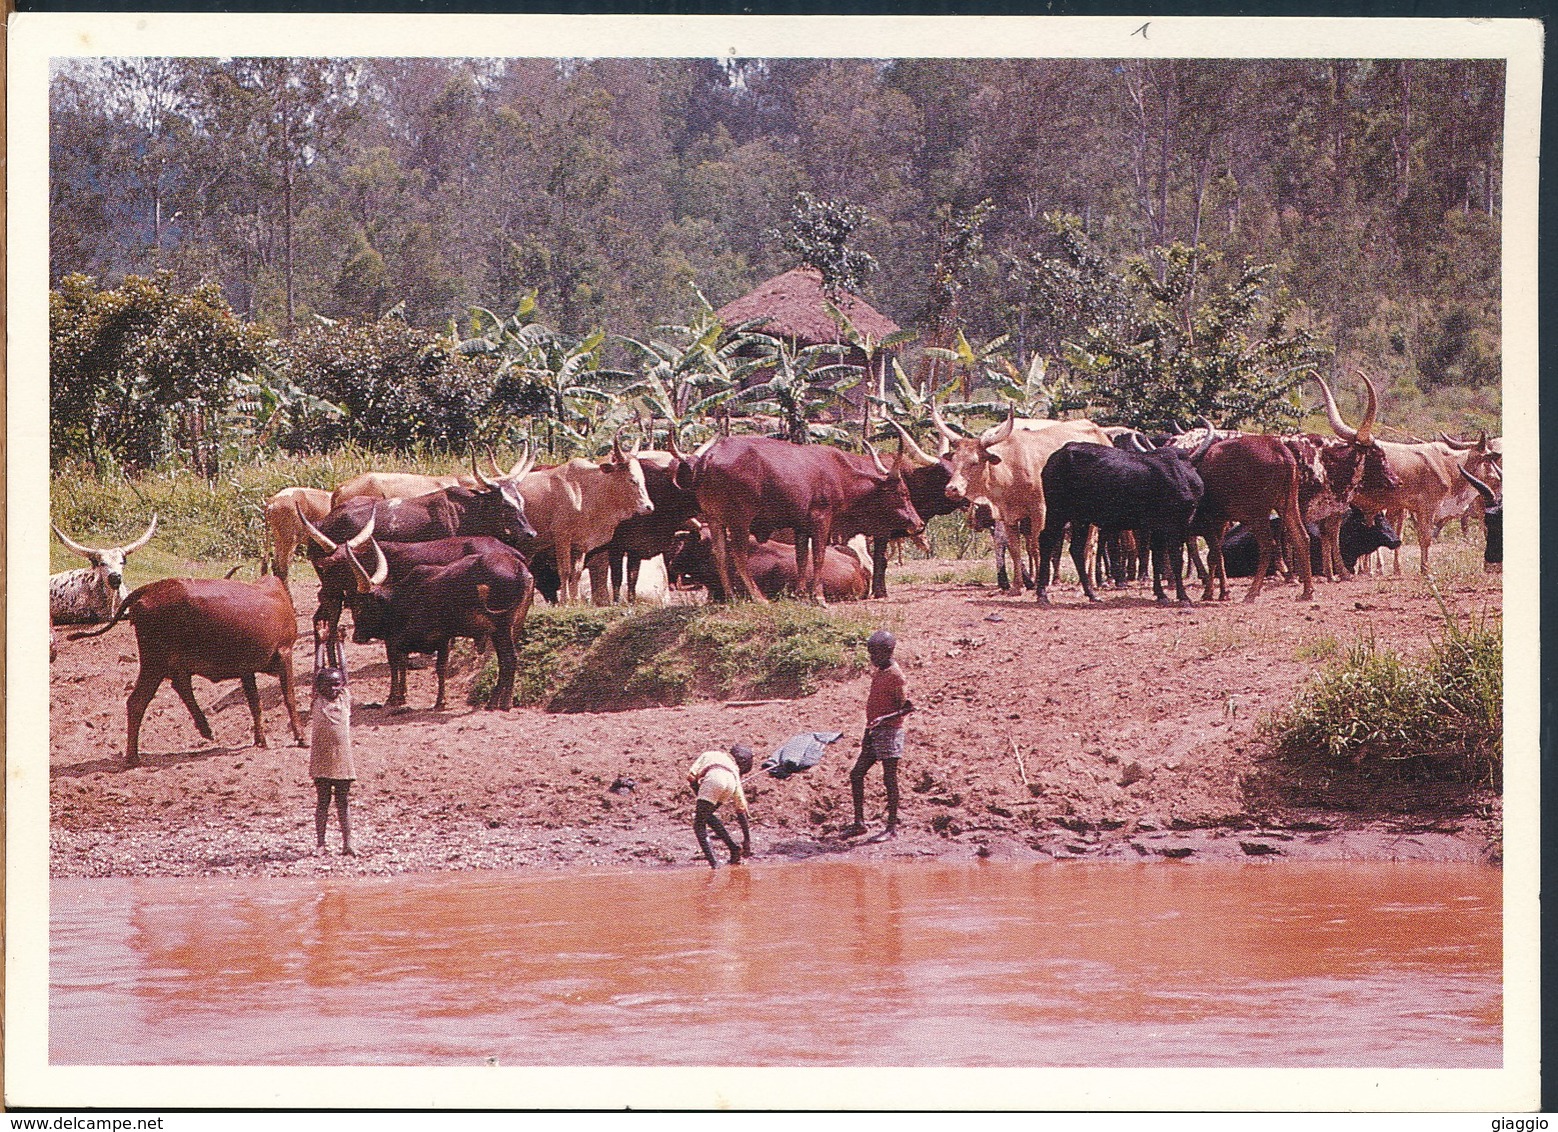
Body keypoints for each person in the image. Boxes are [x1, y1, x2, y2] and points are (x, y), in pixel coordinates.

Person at [842, 629, 914, 838]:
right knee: (856, 774)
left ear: (889, 651)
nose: (872, 658)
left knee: (889, 779)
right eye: (870, 653)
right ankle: (859, 823)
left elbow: (907, 708)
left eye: (876, 654)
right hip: (874, 731)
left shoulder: (896, 676)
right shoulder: (881, 671)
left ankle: (891, 828)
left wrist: (883, 719)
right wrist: (870, 729)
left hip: (890, 732)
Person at [310, 642, 355, 856]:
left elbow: (344, 672)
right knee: (323, 802)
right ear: (319, 688)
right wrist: (320, 644)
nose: (334, 688)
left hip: (343, 760)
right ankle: (321, 844)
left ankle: (348, 844)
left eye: (337, 685)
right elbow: (316, 671)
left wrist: (339, 645)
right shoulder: (317, 701)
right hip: (321, 759)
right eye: (329, 685)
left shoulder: (345, 699)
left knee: (343, 801)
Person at [687, 743, 754, 869]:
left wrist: (698, 791)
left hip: (713, 778)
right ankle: (734, 848)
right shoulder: (734, 770)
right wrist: (747, 841)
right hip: (730, 784)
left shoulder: (709, 754)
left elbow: (690, 776)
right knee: (706, 815)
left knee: (698, 825)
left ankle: (714, 865)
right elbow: (741, 809)